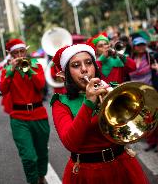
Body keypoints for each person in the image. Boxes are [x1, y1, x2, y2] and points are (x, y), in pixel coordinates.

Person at [50, 43, 149, 184]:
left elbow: (137, 125)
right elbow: (70, 143)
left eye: (89, 63)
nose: (84, 69)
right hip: (87, 172)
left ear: (95, 67)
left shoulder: (113, 89)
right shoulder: (61, 103)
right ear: (67, 73)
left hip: (121, 164)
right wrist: (89, 102)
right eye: (76, 65)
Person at [0, 38, 50, 184]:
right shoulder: (6, 70)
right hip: (19, 117)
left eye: (22, 51)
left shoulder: (36, 66)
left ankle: (41, 176)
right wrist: (11, 71)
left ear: (26, 51)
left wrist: (28, 71)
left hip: (38, 114)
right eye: (16, 53)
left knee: (42, 152)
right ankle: (32, 181)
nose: (20, 55)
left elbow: (40, 85)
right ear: (11, 55)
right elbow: (3, 90)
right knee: (28, 156)